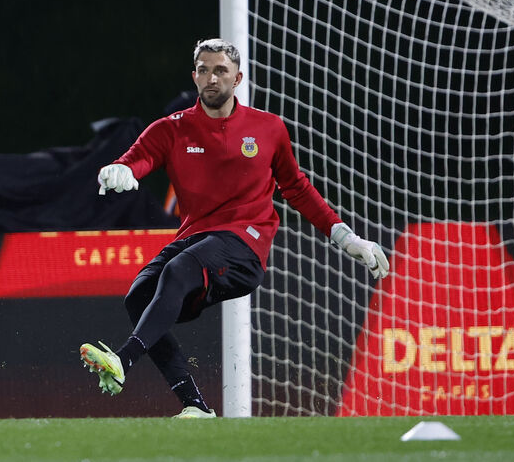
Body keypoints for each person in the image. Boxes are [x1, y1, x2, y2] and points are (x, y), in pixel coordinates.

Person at [79, 38, 390, 419]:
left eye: (221, 70)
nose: (212, 78)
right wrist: (122, 169)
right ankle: (196, 407)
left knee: (179, 270)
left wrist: (346, 237)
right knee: (138, 295)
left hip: (246, 243)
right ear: (194, 76)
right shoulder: (172, 129)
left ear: (237, 78)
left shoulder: (268, 128)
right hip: (197, 239)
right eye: (204, 70)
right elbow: (138, 158)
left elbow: (297, 188)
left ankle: (124, 359)